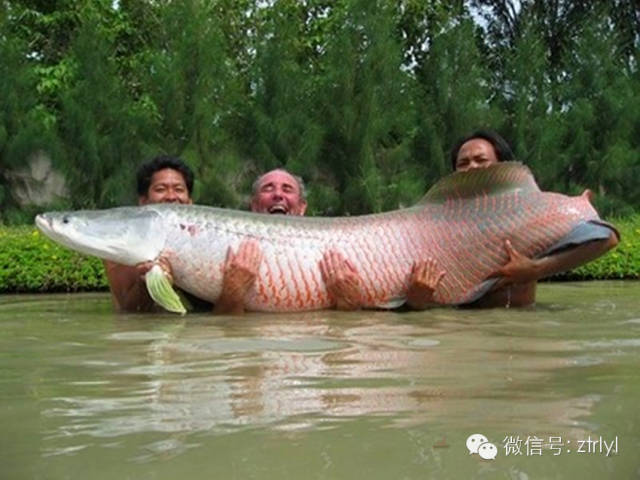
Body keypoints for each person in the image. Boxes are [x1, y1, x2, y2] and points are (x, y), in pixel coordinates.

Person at [445, 129, 619, 308]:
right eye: (463, 163)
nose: (472, 167)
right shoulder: (441, 224)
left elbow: (606, 237)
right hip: (462, 323)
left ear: (502, 166)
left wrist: (535, 269)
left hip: (520, 323)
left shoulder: (529, 212)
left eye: (481, 160)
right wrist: (420, 299)